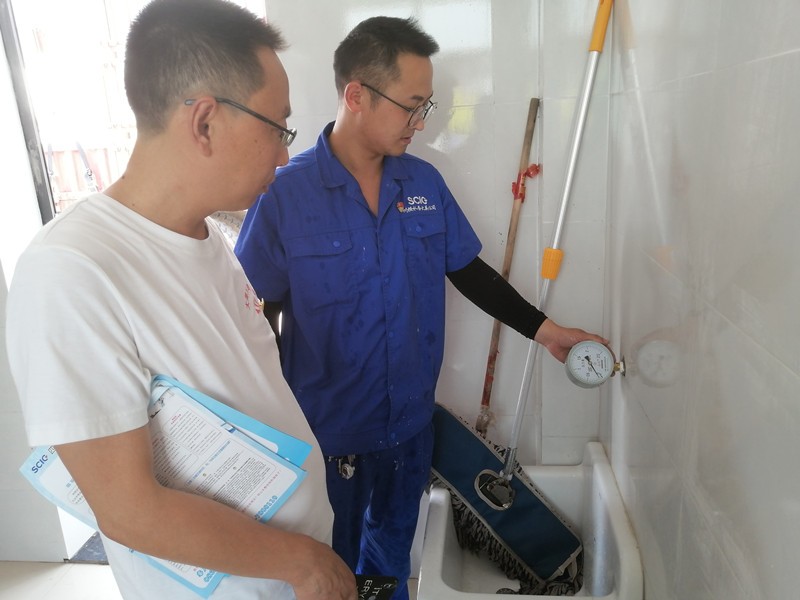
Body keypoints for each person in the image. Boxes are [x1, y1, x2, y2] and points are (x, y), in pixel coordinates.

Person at [234, 16, 610, 600]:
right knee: (329, 570)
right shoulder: (285, 194)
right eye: (411, 106)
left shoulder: (423, 184)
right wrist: (266, 421)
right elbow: (255, 315)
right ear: (356, 95)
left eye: (425, 107)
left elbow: (467, 271)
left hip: (409, 427)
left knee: (389, 561)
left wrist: (546, 331)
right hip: (327, 432)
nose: (420, 122)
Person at [5, 1, 356, 599]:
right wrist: (303, 563)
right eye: (278, 127)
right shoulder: (72, 271)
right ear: (205, 123)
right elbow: (129, 510)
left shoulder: (210, 238)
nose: (283, 155)